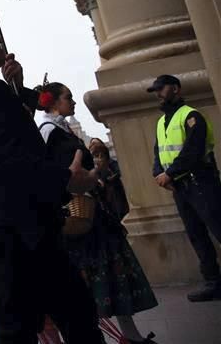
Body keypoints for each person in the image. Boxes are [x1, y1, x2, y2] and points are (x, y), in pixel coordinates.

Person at [0, 12, 102, 344]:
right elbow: (7, 158)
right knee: (25, 322)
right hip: (18, 226)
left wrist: (16, 86)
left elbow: (15, 132)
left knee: (63, 313)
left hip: (23, 223)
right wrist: (66, 179)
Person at [37, 82, 158, 343]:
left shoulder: (59, 128)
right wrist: (88, 176)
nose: (73, 101)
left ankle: (130, 335)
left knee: (113, 275)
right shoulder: (50, 131)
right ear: (54, 101)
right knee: (93, 281)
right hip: (78, 215)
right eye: (68, 97)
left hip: (90, 212)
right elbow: (63, 173)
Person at [148, 74, 221, 302]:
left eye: (162, 89)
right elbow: (158, 153)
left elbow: (193, 150)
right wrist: (159, 173)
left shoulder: (191, 116)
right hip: (180, 187)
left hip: (201, 181)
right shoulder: (162, 122)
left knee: (218, 227)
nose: (158, 94)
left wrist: (169, 173)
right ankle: (213, 282)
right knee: (197, 234)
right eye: (156, 90)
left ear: (176, 89)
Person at [90, 140, 129, 222]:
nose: (99, 158)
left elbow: (118, 172)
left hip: (115, 196)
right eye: (96, 155)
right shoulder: (92, 167)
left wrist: (107, 180)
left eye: (100, 155)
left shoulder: (111, 164)